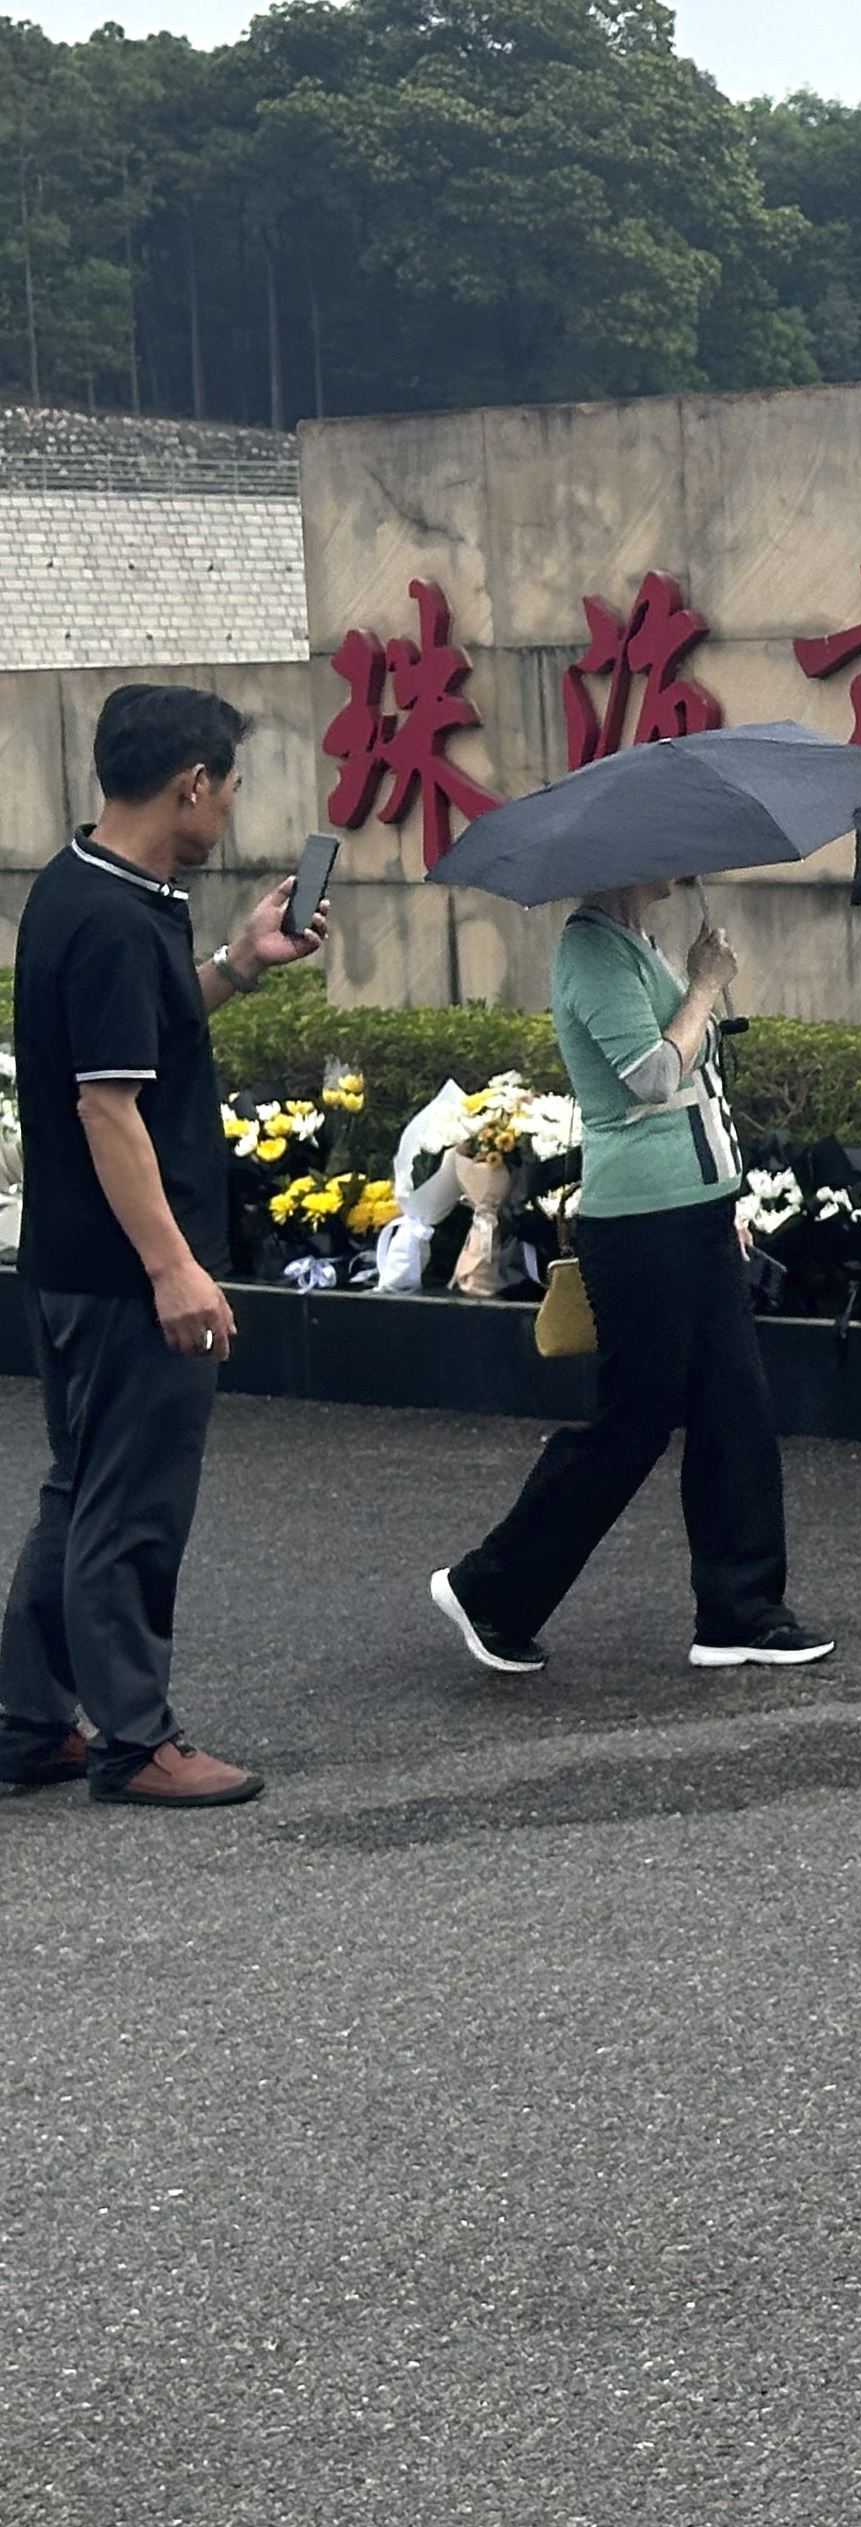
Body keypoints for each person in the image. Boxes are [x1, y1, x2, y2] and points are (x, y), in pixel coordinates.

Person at [4, 684, 326, 1807]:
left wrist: (239, 962)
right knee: (131, 1499)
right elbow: (108, 1109)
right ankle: (138, 1742)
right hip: (123, 1270)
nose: (233, 809)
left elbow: (133, 1041)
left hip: (76, 1265)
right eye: (229, 786)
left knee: (82, 1489)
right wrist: (174, 1266)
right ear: (192, 782)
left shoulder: (97, 888)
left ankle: (33, 1723)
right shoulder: (108, 916)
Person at [427, 879, 827, 1675]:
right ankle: (491, 1589)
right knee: (633, 1423)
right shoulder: (590, 948)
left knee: (734, 1407)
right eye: (662, 856)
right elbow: (649, 1076)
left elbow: (691, 1072)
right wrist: (707, 986)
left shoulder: (635, 942)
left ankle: (740, 1610)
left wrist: (722, 1202)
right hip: (643, 1224)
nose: (677, 869)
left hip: (694, 1211)